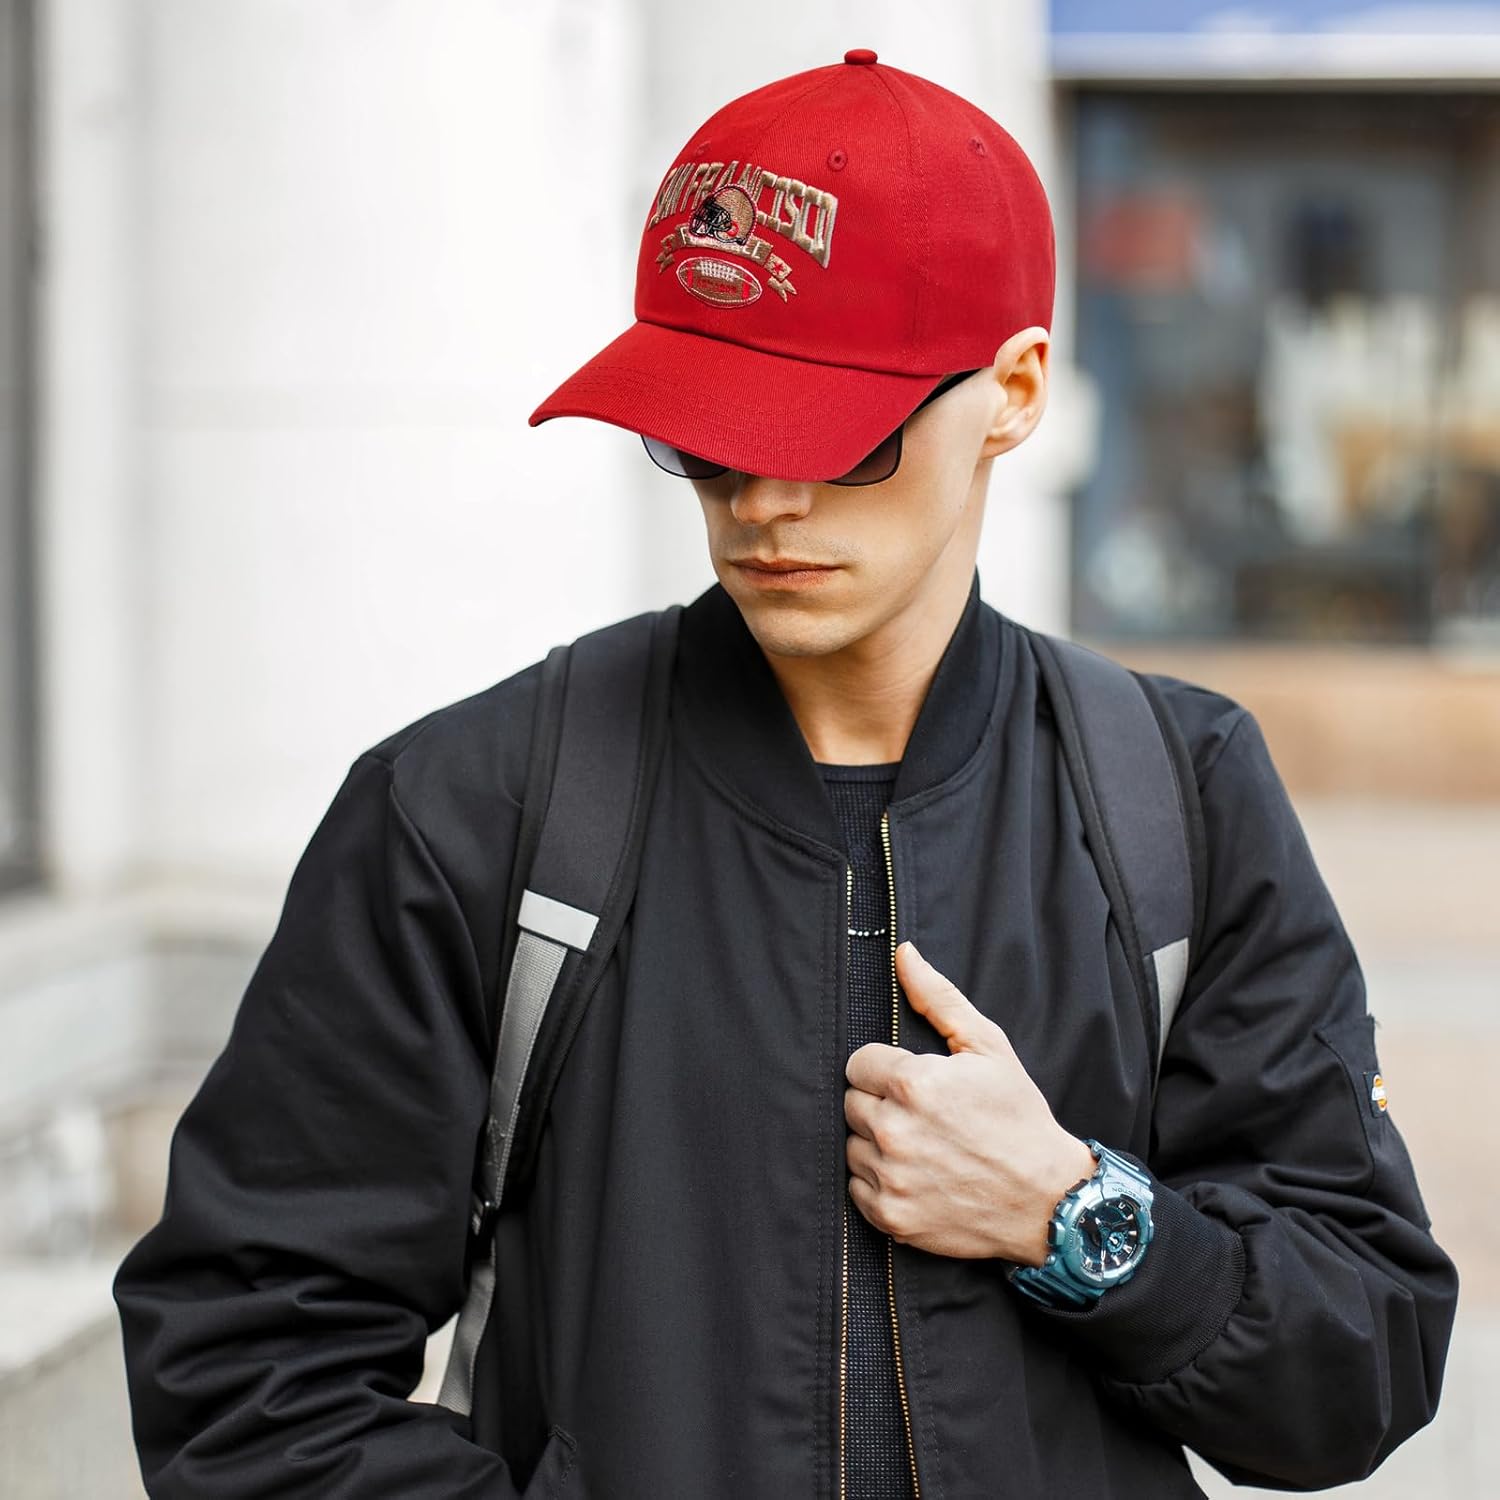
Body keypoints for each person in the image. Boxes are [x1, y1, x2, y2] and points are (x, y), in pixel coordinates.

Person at [114, 49, 1457, 1500]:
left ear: (1014, 392)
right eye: (706, 434)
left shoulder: (1175, 794)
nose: (763, 500)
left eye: (841, 435)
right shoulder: (473, 806)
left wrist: (1073, 1217)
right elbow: (246, 1378)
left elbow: (1364, 1360)